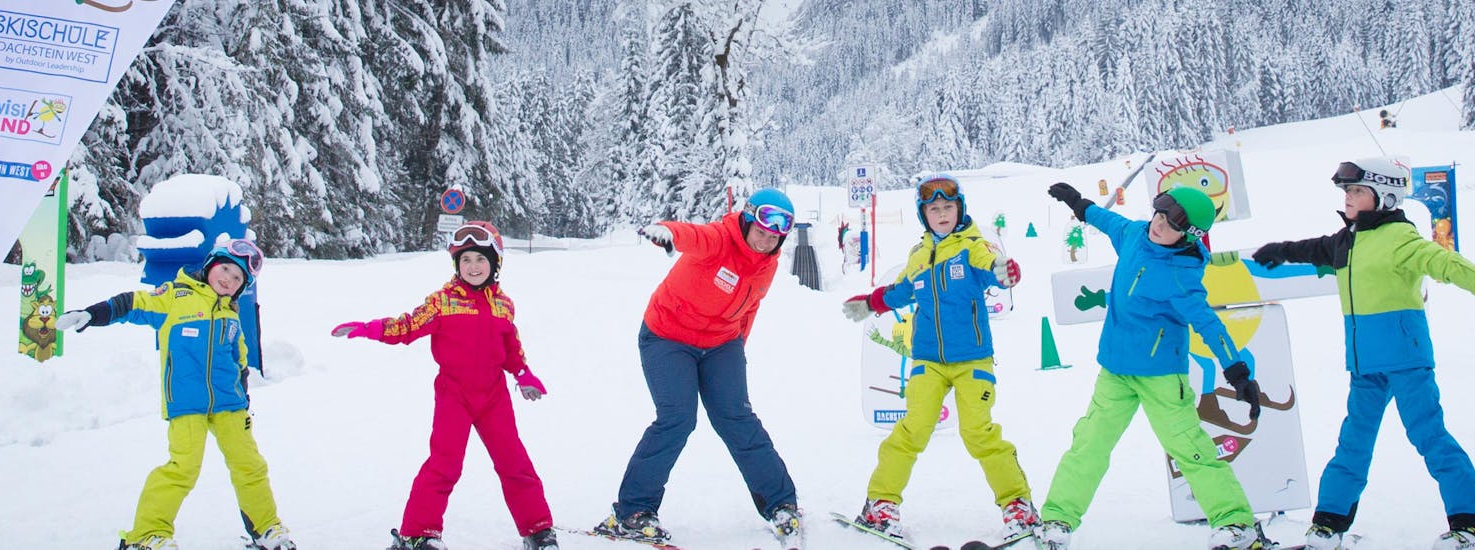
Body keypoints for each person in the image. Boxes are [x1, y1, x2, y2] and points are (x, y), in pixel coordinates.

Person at [1250, 158, 1475, 549]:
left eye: (1356, 191)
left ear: (1383, 196)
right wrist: (1280, 250)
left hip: (1405, 360)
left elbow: (1444, 263)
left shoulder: (1401, 238)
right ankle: (1328, 526)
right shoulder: (1346, 240)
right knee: (1352, 444)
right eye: (1347, 191)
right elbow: (1313, 249)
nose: (1348, 198)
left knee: (1430, 437)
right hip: (1365, 366)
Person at [1036, 183, 1268, 550]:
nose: (1159, 225)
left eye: (1171, 224)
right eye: (1159, 214)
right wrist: (1078, 203)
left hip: (1161, 377)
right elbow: (1106, 219)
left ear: (1188, 235)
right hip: (1115, 371)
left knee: (1191, 450)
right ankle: (1058, 518)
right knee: (1089, 444)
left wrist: (1236, 370)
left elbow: (1209, 324)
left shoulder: (1182, 276)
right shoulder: (1134, 235)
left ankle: (1235, 521)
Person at [331, 221, 559, 550]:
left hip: (493, 396)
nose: (473, 267)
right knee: (444, 464)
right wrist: (368, 328)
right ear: (457, 264)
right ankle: (417, 533)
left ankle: (538, 529)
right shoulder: (443, 302)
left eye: (481, 259)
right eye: (466, 260)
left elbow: (511, 348)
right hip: (455, 394)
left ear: (495, 263)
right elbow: (406, 327)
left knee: (514, 462)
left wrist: (523, 374)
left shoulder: (503, 305)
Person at [596, 188, 804, 548]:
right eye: (761, 231)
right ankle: (632, 511)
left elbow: (750, 307)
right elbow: (692, 236)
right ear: (747, 220)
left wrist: (738, 348)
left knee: (738, 418)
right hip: (667, 337)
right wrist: (668, 232)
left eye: (775, 238)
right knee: (677, 418)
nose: (765, 241)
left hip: (721, 344)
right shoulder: (720, 239)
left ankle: (781, 504)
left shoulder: (767, 265)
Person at [56, 239, 296, 550]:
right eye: (225, 269)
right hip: (186, 404)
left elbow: (240, 360)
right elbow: (133, 303)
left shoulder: (231, 315)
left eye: (238, 279)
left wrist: (243, 399)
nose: (229, 279)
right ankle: (146, 535)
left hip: (230, 406)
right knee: (183, 468)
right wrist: (94, 313)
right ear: (211, 265)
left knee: (250, 465)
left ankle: (267, 529)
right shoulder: (175, 297)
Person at [839, 175, 1035, 544]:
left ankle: (1017, 505)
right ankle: (881, 503)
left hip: (973, 359)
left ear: (959, 209)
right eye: (934, 209)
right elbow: (901, 292)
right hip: (927, 360)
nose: (942, 214)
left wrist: (1004, 273)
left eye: (948, 207)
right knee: (912, 428)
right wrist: (870, 303)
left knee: (978, 432)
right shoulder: (918, 256)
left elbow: (992, 267)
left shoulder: (972, 247)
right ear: (923, 214)